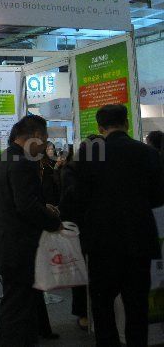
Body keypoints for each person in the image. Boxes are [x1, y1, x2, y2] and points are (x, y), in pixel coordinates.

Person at [78, 105, 164, 346]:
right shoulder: (147, 152)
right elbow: (158, 198)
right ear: (126, 124)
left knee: (102, 305)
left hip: (102, 244)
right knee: (137, 307)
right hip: (139, 240)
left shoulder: (90, 153)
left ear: (100, 128)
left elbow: (79, 197)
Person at [0, 115, 62, 347]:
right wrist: (53, 222)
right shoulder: (23, 162)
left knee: (18, 303)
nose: (46, 144)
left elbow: (15, 200)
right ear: (36, 136)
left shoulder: (4, 158)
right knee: (18, 307)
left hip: (6, 243)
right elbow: (26, 207)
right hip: (20, 247)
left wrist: (42, 206)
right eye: (45, 138)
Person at [59, 137, 101, 331]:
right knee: (81, 272)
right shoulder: (73, 171)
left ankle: (89, 313)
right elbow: (70, 200)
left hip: (90, 229)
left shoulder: (74, 170)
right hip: (80, 229)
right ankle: (83, 313)